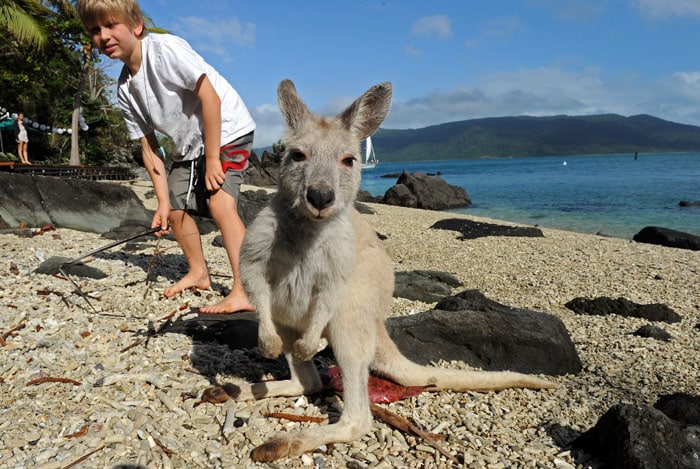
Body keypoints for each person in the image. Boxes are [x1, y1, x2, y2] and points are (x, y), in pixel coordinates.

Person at [77, 0, 256, 314]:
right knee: (174, 208)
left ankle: (245, 290)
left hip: (226, 129)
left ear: (136, 25)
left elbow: (210, 97)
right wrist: (161, 202)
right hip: (190, 144)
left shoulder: (165, 51)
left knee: (220, 202)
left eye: (111, 25)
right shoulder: (124, 89)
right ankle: (199, 273)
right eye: (95, 30)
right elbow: (149, 148)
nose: (103, 36)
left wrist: (213, 159)